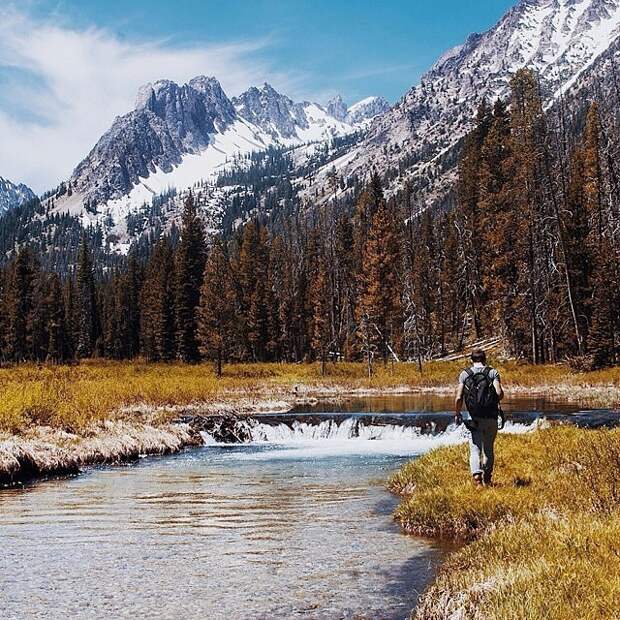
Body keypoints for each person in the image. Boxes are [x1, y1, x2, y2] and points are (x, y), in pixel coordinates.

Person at [454, 348, 504, 486]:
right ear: (485, 359)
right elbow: (499, 393)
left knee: (475, 448)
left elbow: (458, 398)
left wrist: (457, 413)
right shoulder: (492, 372)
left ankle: (477, 479)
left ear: (471, 360)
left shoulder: (465, 374)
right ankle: (487, 479)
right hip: (491, 416)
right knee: (488, 449)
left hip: (474, 417)